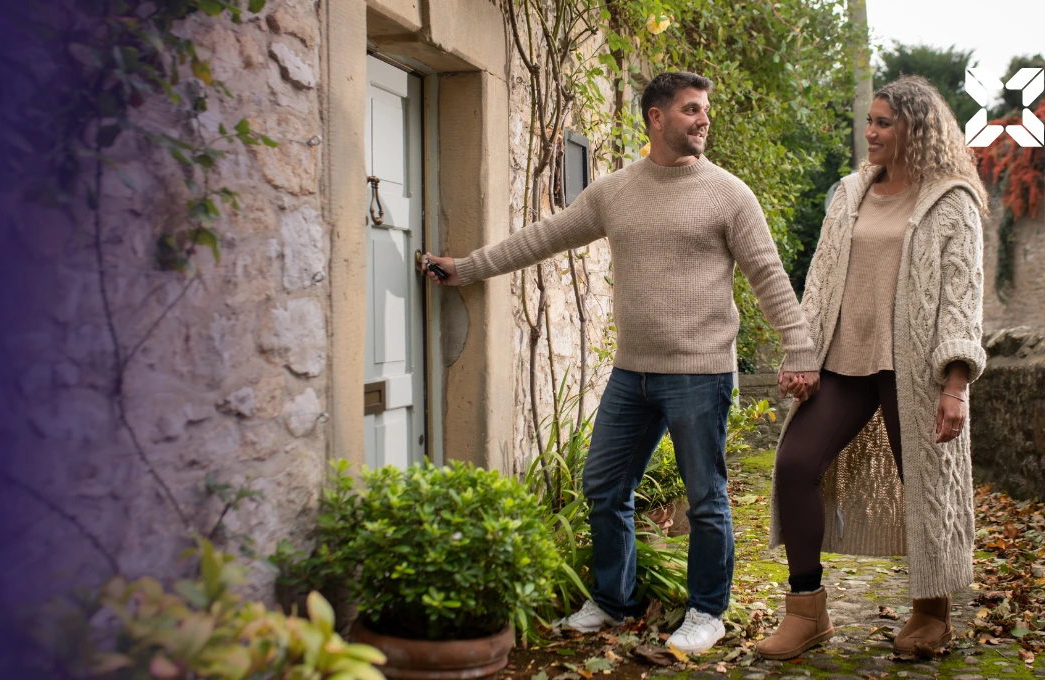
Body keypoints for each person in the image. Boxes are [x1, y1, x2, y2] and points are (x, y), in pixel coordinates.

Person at [421, 72, 819, 654]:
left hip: (699, 371)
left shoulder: (729, 194)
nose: (703, 119)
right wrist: (469, 267)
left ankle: (707, 611)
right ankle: (613, 600)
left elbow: (768, 276)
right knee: (605, 486)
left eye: (705, 109)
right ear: (656, 118)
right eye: (690, 109)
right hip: (633, 373)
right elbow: (545, 236)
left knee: (706, 497)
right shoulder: (615, 192)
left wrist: (799, 347)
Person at [756, 75, 988, 660]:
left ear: (917, 129)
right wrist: (800, 350)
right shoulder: (851, 192)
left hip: (916, 369)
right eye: (871, 121)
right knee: (795, 464)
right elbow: (822, 277)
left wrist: (955, 385)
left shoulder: (952, 201)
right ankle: (807, 610)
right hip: (844, 361)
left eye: (885, 122)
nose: (872, 132)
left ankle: (932, 611)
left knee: (926, 486)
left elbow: (962, 298)